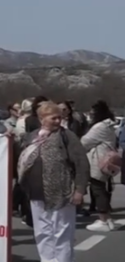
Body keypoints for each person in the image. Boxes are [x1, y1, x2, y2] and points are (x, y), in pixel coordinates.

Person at [18, 101, 89, 262]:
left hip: (62, 192)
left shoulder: (67, 136)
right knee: (42, 231)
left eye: (59, 118)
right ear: (41, 118)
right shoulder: (32, 136)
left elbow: (81, 163)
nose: (58, 121)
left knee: (62, 232)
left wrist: (79, 190)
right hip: (36, 192)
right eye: (53, 118)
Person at [81, 100, 120, 232]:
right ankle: (107, 219)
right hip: (105, 159)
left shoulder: (100, 127)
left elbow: (85, 142)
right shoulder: (109, 125)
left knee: (98, 189)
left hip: (98, 160)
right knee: (102, 189)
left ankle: (103, 219)